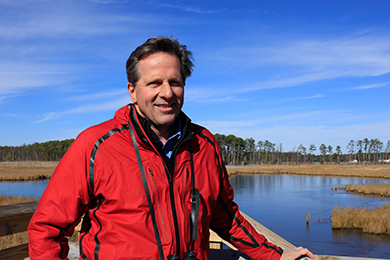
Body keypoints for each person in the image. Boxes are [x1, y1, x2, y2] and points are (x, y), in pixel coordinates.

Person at [28, 36, 314, 260]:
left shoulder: (204, 144)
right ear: (132, 90)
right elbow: (47, 229)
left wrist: (275, 256)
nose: (167, 93)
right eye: (154, 83)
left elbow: (224, 216)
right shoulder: (96, 145)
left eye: (175, 82)